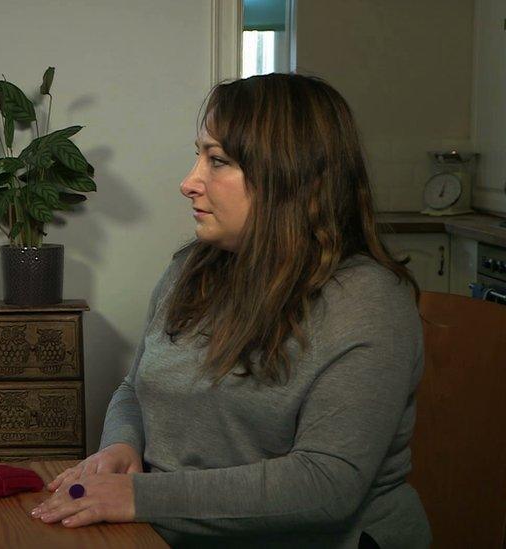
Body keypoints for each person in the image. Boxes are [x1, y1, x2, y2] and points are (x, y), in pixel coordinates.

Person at [31, 73, 431, 548]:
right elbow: (135, 388)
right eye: (199, 155)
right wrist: (121, 445)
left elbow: (326, 485)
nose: (188, 182)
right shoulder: (190, 270)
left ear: (298, 177)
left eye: (217, 161)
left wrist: (140, 496)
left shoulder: (367, 303)